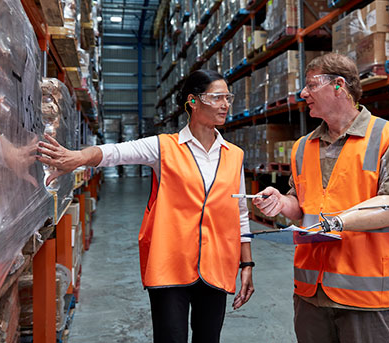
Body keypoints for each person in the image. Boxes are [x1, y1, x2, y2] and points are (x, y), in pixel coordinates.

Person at [37, 69, 254, 343]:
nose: (225, 104)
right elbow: (116, 152)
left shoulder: (235, 156)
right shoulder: (164, 147)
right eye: (217, 97)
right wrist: (78, 157)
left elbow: (240, 212)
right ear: (193, 102)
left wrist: (247, 263)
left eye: (228, 98)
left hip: (217, 266)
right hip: (170, 265)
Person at [253, 53, 389, 343]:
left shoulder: (385, 136)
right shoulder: (304, 146)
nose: (303, 93)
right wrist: (281, 202)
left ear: (339, 85)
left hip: (366, 294)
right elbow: (300, 203)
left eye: (311, 85)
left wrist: (340, 222)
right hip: (311, 292)